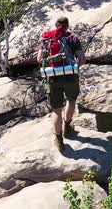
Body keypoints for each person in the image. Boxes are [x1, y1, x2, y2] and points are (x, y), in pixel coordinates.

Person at [37, 16, 86, 153]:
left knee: (56, 110)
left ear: (56, 25)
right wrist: (73, 68)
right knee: (71, 101)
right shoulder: (72, 38)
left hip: (52, 78)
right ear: (67, 26)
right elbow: (82, 59)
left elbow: (39, 59)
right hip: (70, 76)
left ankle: (59, 140)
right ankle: (68, 128)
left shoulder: (46, 38)